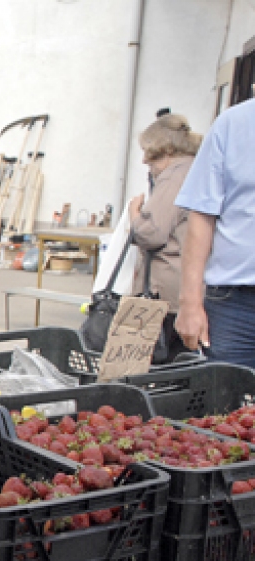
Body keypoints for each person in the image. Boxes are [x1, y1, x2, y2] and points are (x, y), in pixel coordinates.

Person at [174, 98, 255, 368]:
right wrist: (190, 302)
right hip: (235, 307)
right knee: (226, 405)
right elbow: (201, 215)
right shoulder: (232, 124)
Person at [126, 112, 201, 363]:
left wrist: (134, 215)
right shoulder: (197, 168)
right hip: (191, 282)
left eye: (150, 158)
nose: (147, 163)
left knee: (158, 363)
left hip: (166, 290)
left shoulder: (174, 176)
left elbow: (152, 232)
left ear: (164, 151)